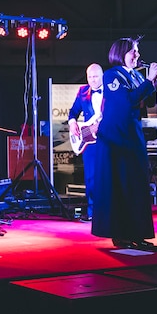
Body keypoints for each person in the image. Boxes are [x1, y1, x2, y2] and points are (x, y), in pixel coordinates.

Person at [91, 36, 157, 251]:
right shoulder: (111, 75)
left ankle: (138, 232)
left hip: (132, 136)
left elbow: (148, 102)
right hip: (116, 139)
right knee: (119, 186)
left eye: (137, 51)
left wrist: (154, 83)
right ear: (121, 52)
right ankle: (120, 233)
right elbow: (127, 101)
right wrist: (148, 80)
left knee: (137, 186)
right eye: (133, 51)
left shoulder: (135, 75)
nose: (137, 55)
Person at [67, 63, 103, 221]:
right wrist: (73, 122)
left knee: (109, 176)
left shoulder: (111, 89)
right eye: (90, 77)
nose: (93, 80)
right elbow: (73, 111)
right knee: (91, 177)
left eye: (95, 76)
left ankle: (110, 212)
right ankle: (92, 213)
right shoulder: (82, 91)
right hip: (89, 140)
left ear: (102, 76)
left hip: (108, 138)